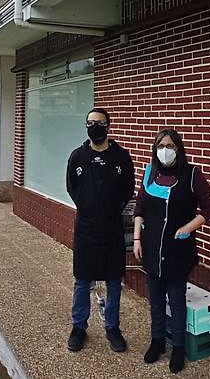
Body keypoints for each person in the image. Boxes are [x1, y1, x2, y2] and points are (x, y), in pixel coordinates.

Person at [133, 128, 210, 373]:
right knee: (156, 301)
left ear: (178, 149)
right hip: (150, 249)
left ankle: (178, 348)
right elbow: (140, 208)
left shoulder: (192, 174)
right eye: (161, 146)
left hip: (178, 251)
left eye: (170, 146)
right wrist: (137, 239)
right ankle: (157, 341)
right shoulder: (150, 173)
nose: (165, 151)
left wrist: (188, 227)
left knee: (177, 301)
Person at [65, 107, 136, 353]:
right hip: (85, 228)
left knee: (114, 280)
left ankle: (112, 327)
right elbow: (71, 187)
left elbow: (129, 188)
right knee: (82, 280)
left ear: (108, 126)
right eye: (90, 122)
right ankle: (78, 327)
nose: (94, 126)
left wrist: (111, 209)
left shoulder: (121, 157)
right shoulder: (77, 157)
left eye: (99, 122)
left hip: (112, 229)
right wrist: (87, 207)